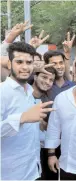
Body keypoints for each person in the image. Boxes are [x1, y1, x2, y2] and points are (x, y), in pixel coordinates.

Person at [1, 42, 54, 180]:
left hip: (32, 169)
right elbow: (24, 119)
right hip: (10, 174)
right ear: (9, 64)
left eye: (29, 62)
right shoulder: (2, 92)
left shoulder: (30, 92)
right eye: (19, 62)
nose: (25, 67)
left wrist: (40, 125)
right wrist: (22, 118)